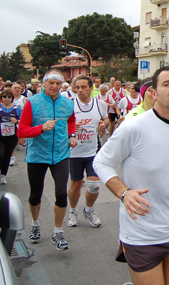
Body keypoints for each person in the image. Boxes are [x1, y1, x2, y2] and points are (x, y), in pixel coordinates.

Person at [93, 66, 169, 285]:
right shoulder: (133, 127)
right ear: (154, 93)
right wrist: (125, 193)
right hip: (142, 233)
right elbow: (101, 162)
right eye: (167, 84)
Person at [17, 70, 77, 251]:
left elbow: (71, 120)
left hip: (60, 154)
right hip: (37, 155)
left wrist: (71, 135)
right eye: (51, 83)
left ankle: (57, 231)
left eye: (58, 84)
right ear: (43, 84)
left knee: (61, 193)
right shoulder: (32, 102)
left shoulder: (67, 103)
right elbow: (21, 131)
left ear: (62, 86)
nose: (54, 86)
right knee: (36, 193)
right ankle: (35, 224)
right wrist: (41, 128)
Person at [67, 75, 108, 229]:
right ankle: (72, 212)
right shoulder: (69, 104)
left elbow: (105, 120)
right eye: (77, 87)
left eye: (84, 87)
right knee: (75, 184)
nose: (80, 90)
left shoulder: (100, 104)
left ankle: (88, 210)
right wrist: (69, 128)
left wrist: (103, 125)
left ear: (91, 88)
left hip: (93, 151)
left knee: (94, 185)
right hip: (74, 152)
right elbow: (61, 124)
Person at [0, 89, 22, 185]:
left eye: (9, 97)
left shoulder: (17, 108)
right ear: (1, 98)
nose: (6, 99)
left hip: (11, 137)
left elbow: (22, 120)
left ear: (12, 98)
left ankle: (3, 175)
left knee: (7, 157)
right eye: (4, 97)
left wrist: (16, 121)